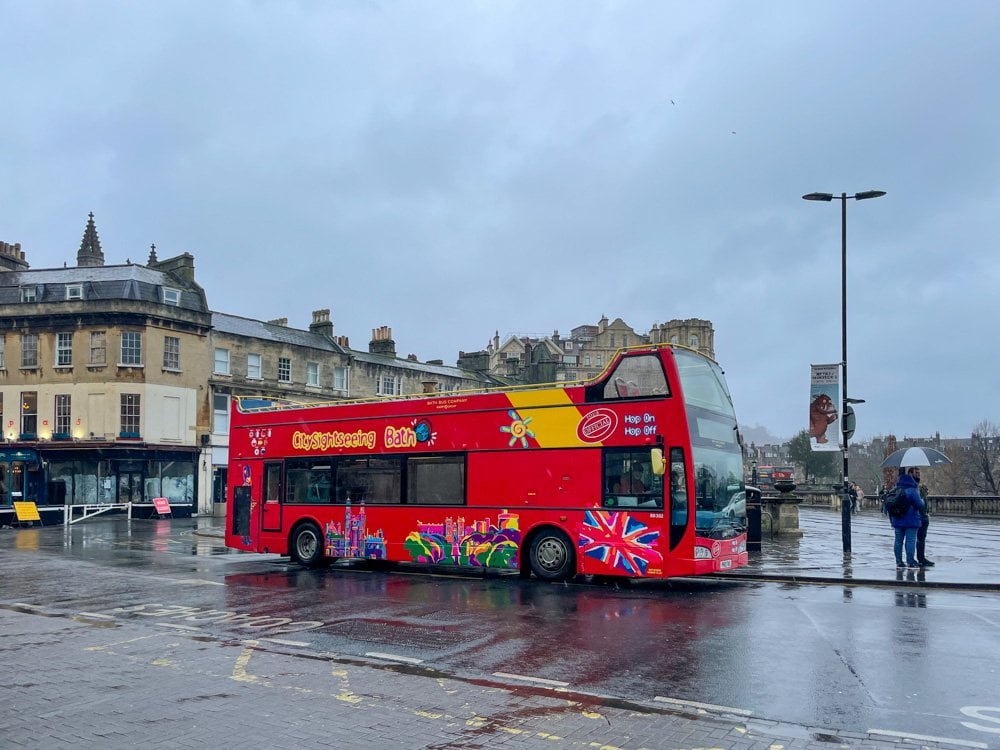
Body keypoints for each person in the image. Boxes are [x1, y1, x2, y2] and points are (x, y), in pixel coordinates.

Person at [890, 467, 925, 569]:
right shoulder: (913, 490)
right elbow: (919, 504)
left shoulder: (896, 489)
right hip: (911, 519)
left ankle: (899, 562)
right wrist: (922, 500)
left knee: (898, 541)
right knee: (910, 541)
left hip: (897, 519)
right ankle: (910, 561)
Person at [908, 467, 934, 567]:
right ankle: (912, 559)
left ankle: (921, 558)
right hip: (916, 516)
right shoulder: (912, 488)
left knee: (921, 539)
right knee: (913, 539)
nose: (918, 475)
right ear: (911, 474)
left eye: (919, 473)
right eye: (916, 473)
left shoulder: (920, 487)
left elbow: (924, 503)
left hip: (923, 516)